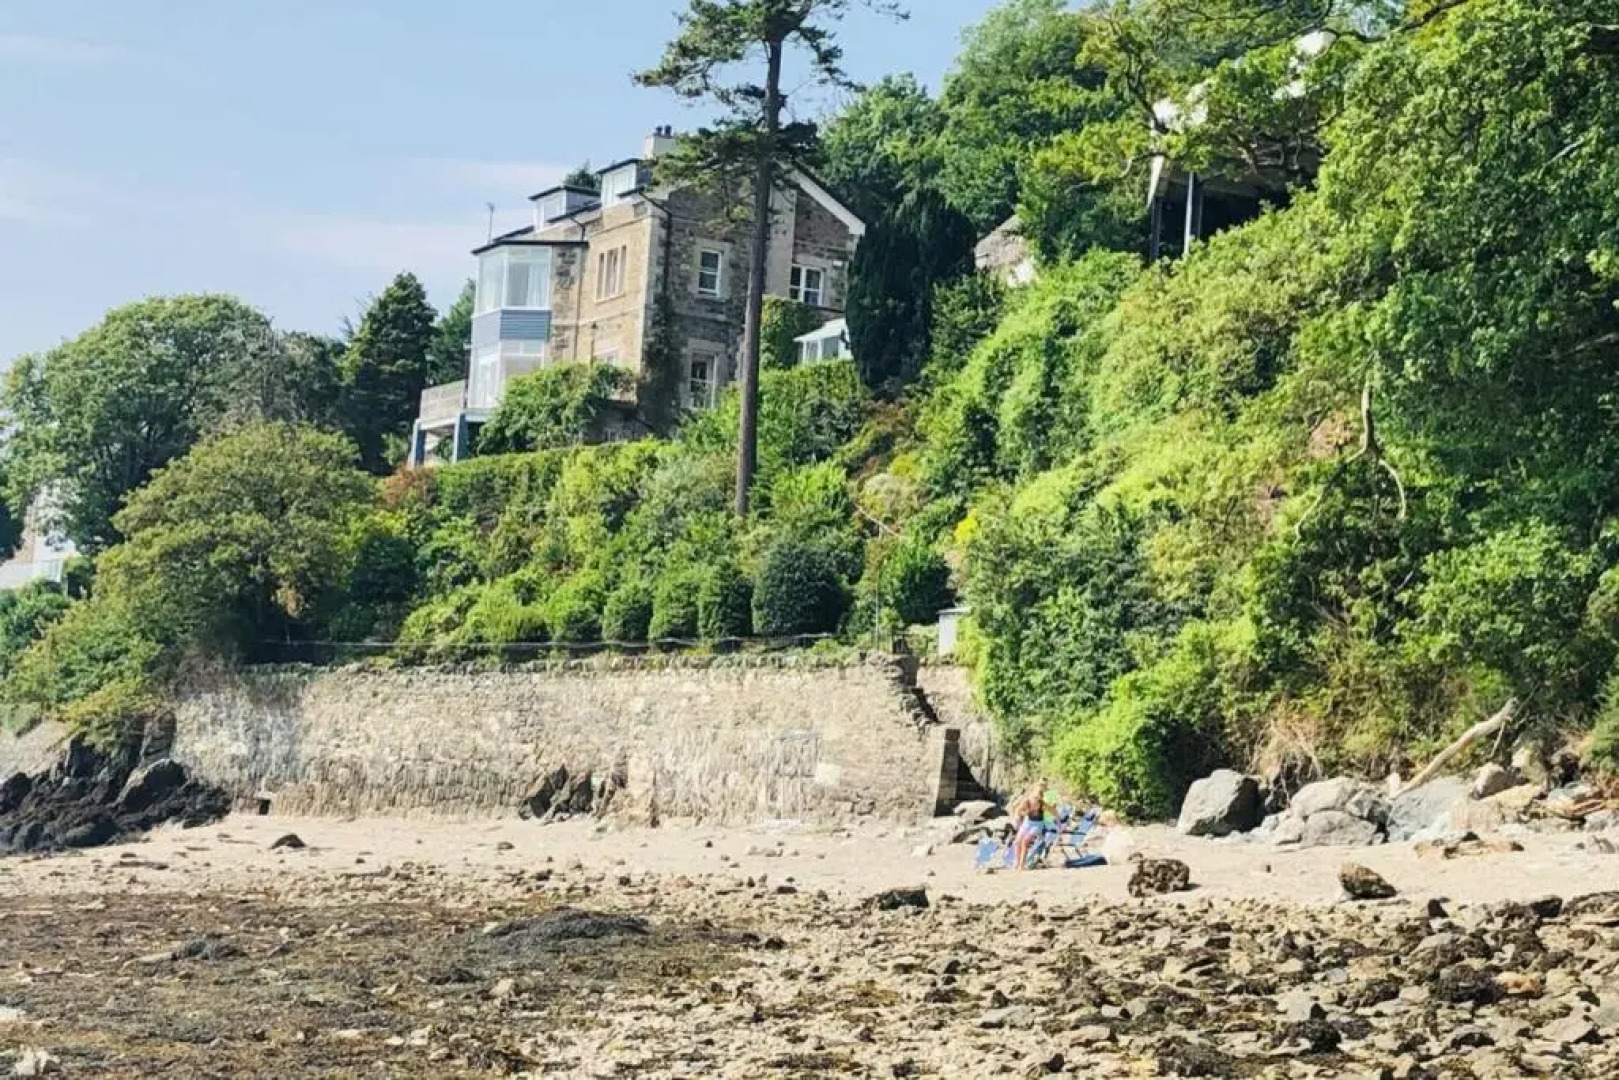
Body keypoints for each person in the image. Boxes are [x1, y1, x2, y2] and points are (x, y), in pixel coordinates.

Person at [1009, 779, 1050, 871]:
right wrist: (1021, 816)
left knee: (1024, 841)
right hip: (1028, 822)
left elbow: (1052, 811)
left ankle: (1021, 865)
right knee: (1017, 842)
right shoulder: (1029, 799)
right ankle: (1018, 863)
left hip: (1037, 824)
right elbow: (1018, 810)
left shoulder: (1042, 801)